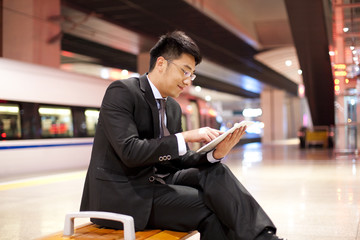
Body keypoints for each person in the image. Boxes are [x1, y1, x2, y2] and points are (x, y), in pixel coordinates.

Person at [80, 31, 285, 240]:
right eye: (185, 71)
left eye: (192, 75)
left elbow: (178, 159)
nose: (188, 81)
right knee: (212, 209)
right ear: (161, 63)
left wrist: (214, 154)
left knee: (217, 171)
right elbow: (130, 152)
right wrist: (185, 136)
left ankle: (265, 236)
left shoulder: (173, 108)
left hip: (159, 183)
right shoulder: (122, 92)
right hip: (123, 195)